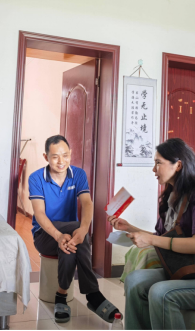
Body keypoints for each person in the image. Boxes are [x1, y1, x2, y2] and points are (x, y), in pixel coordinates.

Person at [109, 138, 195, 330]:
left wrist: (150, 239)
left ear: (178, 165)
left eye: (158, 163)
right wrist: (130, 228)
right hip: (188, 273)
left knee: (161, 293)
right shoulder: (170, 198)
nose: (154, 169)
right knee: (134, 280)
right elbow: (163, 239)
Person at [29, 135, 120, 324]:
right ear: (46, 157)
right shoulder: (36, 178)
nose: (61, 161)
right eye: (55, 156)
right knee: (74, 232)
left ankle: (61, 296)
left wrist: (84, 229)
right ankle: (93, 295)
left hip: (70, 234)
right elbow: (40, 213)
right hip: (44, 235)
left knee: (70, 244)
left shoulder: (78, 174)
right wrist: (58, 235)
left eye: (65, 155)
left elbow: (87, 203)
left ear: (71, 153)